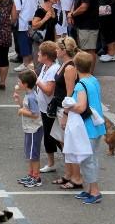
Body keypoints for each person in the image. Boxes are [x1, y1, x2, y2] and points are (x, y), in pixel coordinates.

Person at [63, 51, 106, 204]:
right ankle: (89, 189)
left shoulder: (80, 85)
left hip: (86, 128)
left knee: (88, 160)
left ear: (76, 67)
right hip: (96, 126)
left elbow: (81, 107)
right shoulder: (93, 80)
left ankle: (94, 191)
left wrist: (68, 106)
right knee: (91, 158)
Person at [50, 37, 83, 190]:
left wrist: (66, 114)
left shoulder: (70, 68)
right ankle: (68, 173)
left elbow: (70, 94)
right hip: (59, 107)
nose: (55, 51)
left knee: (69, 144)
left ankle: (77, 177)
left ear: (63, 50)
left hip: (65, 109)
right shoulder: (63, 64)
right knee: (63, 143)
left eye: (57, 48)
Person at [14, 69, 43, 188]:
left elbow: (35, 114)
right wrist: (19, 101)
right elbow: (26, 107)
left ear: (25, 84)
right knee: (29, 153)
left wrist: (21, 111)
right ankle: (31, 174)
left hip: (34, 129)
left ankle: (36, 177)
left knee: (33, 154)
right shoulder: (28, 95)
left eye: (19, 81)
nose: (17, 83)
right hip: (29, 128)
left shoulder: (31, 97)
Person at [68, 0, 99, 70]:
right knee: (82, 49)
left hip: (89, 24)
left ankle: (89, 73)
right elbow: (75, 2)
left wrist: (72, 14)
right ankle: (85, 71)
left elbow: (84, 7)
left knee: (89, 50)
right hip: (80, 24)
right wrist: (71, 15)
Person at [35, 41, 60, 173]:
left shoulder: (53, 69)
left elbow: (49, 90)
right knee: (49, 136)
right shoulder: (45, 67)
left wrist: (36, 80)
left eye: (40, 52)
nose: (38, 54)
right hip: (44, 108)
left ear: (46, 56)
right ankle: (51, 163)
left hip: (51, 109)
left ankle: (72, 164)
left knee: (56, 137)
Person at [12, 0, 38, 72]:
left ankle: (26, 63)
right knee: (31, 42)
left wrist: (13, 20)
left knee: (23, 43)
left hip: (23, 22)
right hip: (32, 20)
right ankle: (31, 61)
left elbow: (17, 9)